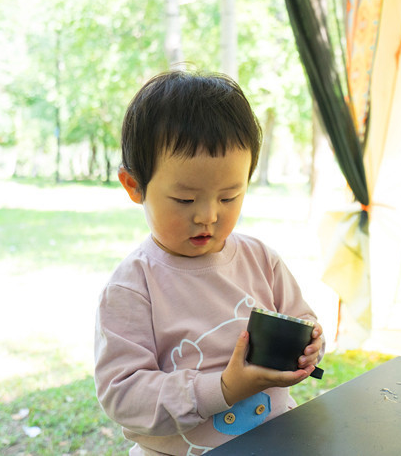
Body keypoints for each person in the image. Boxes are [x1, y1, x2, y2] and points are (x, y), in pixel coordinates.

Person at [94, 70, 324, 456]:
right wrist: (223, 389)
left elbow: (302, 320)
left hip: (275, 440)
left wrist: (310, 346)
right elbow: (124, 396)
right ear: (134, 186)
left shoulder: (261, 260)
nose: (208, 216)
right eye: (185, 200)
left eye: (229, 196)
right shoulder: (133, 286)